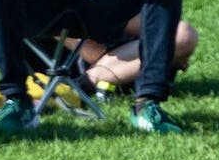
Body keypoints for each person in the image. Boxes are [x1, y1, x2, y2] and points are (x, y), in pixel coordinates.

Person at [0, 0, 185, 134]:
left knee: (184, 35)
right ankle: (17, 100)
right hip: (46, 11)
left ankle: (147, 105)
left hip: (101, 11)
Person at [63, 16, 199, 100]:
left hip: (132, 58)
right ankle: (77, 86)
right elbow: (93, 52)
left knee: (183, 35)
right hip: (71, 58)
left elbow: (159, 24)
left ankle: (79, 85)